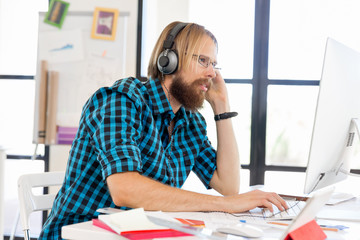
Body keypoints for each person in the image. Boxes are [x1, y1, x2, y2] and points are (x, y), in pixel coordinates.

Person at [39, 21, 287, 238]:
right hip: (80, 233)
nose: (212, 73)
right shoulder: (120, 101)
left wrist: (222, 108)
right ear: (169, 61)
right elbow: (124, 189)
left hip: (140, 233)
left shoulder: (190, 122)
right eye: (203, 60)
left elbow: (229, 186)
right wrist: (227, 205)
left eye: (214, 64)